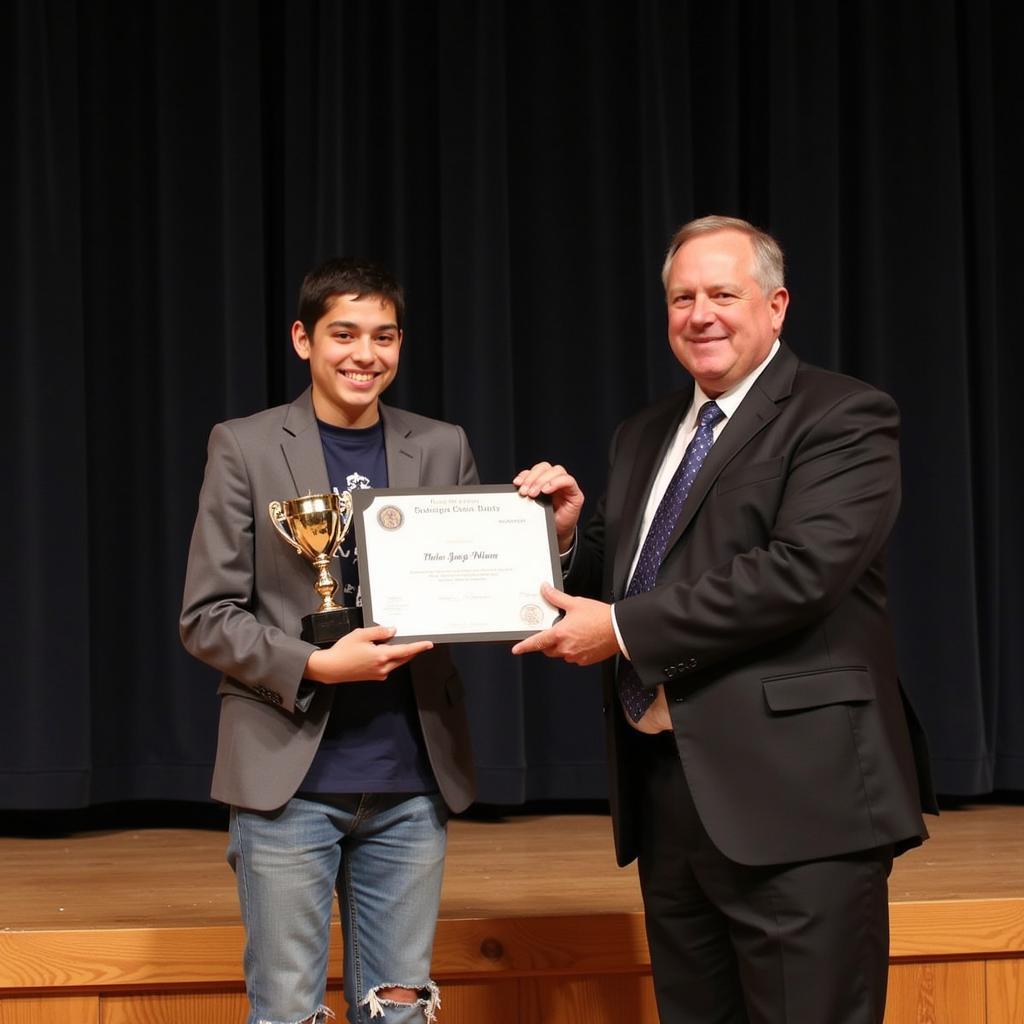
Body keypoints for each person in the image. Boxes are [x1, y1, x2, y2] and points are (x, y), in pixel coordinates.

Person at [512, 216, 937, 1024]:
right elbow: (623, 574)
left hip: (800, 801)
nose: (699, 314)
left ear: (776, 306)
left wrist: (625, 632)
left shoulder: (843, 415)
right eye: (682, 297)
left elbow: (798, 574)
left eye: (722, 294)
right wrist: (564, 538)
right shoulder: (642, 434)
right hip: (671, 793)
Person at [180, 258, 477, 1024]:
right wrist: (315, 662)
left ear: (401, 345)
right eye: (343, 334)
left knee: (401, 1011)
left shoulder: (442, 447)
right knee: (286, 1011)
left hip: (410, 780)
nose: (363, 354)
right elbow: (207, 614)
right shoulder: (244, 447)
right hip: (289, 784)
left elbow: (482, 582)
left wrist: (557, 539)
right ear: (303, 339)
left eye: (382, 336)